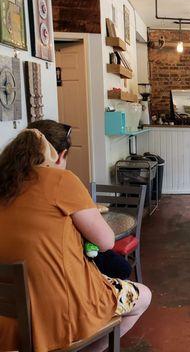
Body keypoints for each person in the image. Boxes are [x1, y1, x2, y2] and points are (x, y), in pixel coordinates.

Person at [0, 120, 151, 352]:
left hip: (7, 317)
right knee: (144, 296)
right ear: (60, 155)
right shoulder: (61, 180)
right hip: (57, 312)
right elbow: (106, 242)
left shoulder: (5, 183)